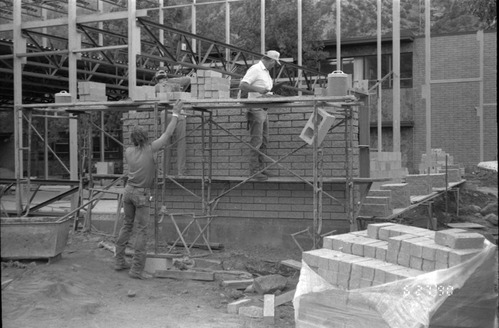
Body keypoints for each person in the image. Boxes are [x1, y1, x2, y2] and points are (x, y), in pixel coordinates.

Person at [114, 100, 184, 279]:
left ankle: (119, 260)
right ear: (146, 138)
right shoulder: (151, 149)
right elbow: (168, 134)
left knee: (127, 225)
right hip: (141, 195)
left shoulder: (129, 151)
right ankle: (136, 269)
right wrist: (175, 113)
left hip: (128, 192)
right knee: (142, 230)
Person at [239, 50, 280, 181]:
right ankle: (254, 171)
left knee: (264, 140)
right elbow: (243, 85)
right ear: (271, 60)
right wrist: (259, 90)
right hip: (255, 108)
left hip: (263, 108)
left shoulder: (265, 72)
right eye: (274, 63)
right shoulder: (256, 69)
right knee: (256, 140)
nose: (274, 66)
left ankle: (261, 169)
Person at [154, 70, 191, 176]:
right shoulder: (174, 84)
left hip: (165, 114)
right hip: (179, 113)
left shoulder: (156, 87)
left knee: (165, 143)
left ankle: (164, 172)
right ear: (166, 77)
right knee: (181, 144)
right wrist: (171, 81)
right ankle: (181, 172)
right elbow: (188, 79)